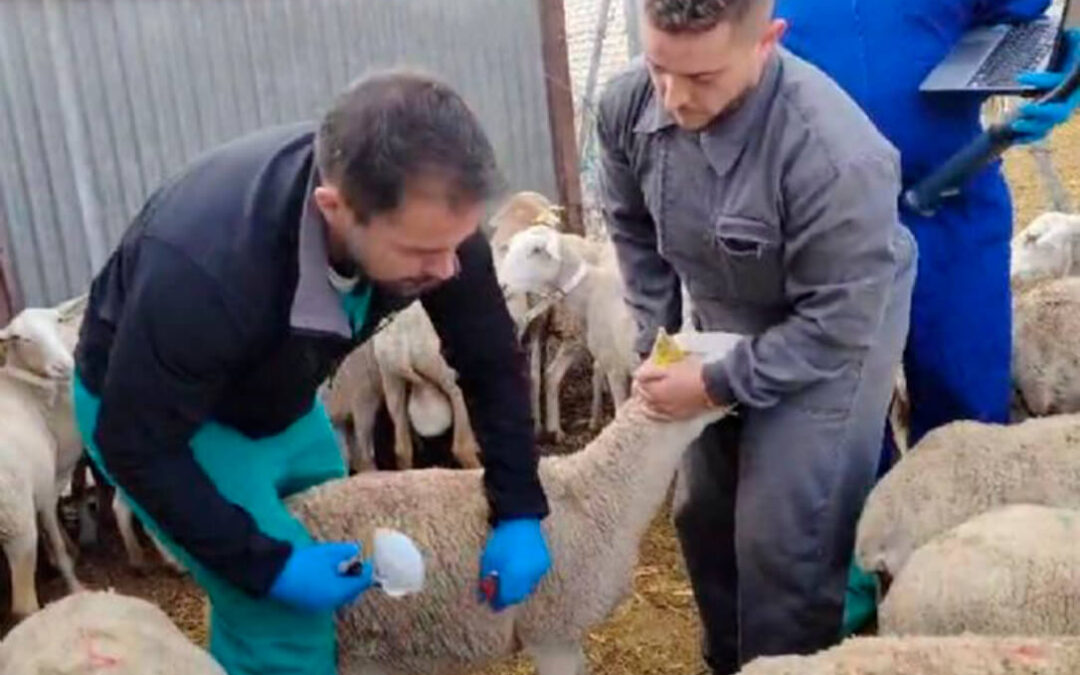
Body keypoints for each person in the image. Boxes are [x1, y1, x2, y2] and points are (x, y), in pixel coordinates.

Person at [71, 70, 552, 675]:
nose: (448, 269)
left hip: (278, 390)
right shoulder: (205, 269)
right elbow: (135, 441)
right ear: (335, 208)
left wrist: (519, 505)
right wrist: (267, 565)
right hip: (161, 416)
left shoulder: (433, 227)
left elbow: (488, 358)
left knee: (339, 521)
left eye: (456, 243)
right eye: (420, 252)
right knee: (279, 617)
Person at [595, 0, 917, 672]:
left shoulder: (835, 154)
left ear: (767, 41)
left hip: (833, 331)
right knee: (703, 512)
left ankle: (789, 660)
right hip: (722, 309)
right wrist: (657, 340)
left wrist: (712, 382)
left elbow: (836, 326)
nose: (674, 98)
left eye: (703, 78)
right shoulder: (629, 106)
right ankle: (729, 661)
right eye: (660, 68)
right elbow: (630, 224)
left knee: (783, 534)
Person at [772, 0, 1080, 635]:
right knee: (839, 425)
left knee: (967, 421)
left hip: (951, 199)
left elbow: (1025, 15)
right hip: (819, 219)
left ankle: (974, 608)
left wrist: (1064, 54)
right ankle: (864, 608)